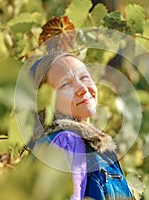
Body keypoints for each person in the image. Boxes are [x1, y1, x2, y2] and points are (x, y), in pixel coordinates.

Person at [28, 52, 133, 200]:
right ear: (46, 102)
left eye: (84, 78)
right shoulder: (67, 141)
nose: (82, 88)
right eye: (66, 84)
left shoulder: (90, 142)